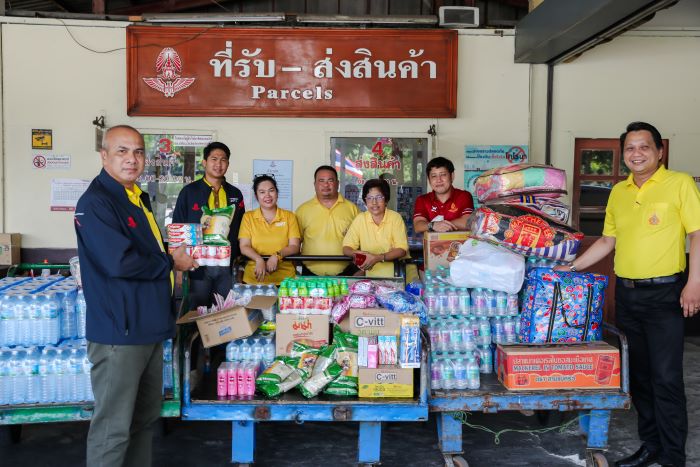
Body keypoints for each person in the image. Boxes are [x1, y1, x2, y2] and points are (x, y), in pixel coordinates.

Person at [555, 122, 700, 467]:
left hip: (667, 294)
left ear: (659, 151)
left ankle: (673, 456)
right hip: (628, 295)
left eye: (644, 147)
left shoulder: (679, 184)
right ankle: (651, 445)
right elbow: (607, 241)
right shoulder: (619, 192)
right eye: (631, 148)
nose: (637, 154)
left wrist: (694, 283)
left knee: (666, 379)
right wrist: (570, 269)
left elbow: (697, 235)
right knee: (640, 379)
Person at [74, 125, 197, 467]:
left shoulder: (136, 197)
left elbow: (147, 253)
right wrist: (171, 260)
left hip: (149, 327)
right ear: (104, 155)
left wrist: (171, 257)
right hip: (120, 333)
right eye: (122, 151)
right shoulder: (96, 202)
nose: (132, 159)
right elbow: (120, 261)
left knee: (143, 422)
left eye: (138, 152)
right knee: (113, 429)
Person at [172, 141, 245, 307]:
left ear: (228, 163)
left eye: (223, 160)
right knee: (196, 314)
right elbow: (178, 228)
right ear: (204, 162)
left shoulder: (235, 194)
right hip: (197, 266)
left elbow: (242, 231)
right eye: (214, 159)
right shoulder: (189, 192)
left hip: (227, 267)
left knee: (225, 314)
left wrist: (241, 266)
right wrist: (178, 270)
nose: (218, 164)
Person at [296, 165, 359, 276]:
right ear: (315, 184)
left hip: (347, 272)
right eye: (321, 181)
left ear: (338, 184)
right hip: (310, 274)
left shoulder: (352, 209)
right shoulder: (303, 210)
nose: (326, 185)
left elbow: (361, 241)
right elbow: (295, 243)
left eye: (330, 180)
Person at [238, 175, 301, 284]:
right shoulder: (248, 217)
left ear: (277, 193)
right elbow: (244, 246)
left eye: (271, 191)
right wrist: (259, 259)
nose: (267, 195)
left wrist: (277, 256)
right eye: (262, 192)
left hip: (285, 281)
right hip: (254, 280)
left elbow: (295, 246)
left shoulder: (289, 216)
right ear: (256, 196)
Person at [343, 178, 409, 277]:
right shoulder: (360, 219)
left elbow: (401, 250)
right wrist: (358, 253)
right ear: (365, 201)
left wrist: (378, 257)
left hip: (395, 276)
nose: (374, 202)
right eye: (369, 198)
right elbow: (346, 248)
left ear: (386, 199)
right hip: (369, 276)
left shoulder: (395, 218)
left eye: (379, 197)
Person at [413, 156, 474, 234]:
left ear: (452, 176)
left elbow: (467, 222)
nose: (439, 180)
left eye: (443, 175)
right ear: (429, 180)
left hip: (460, 245)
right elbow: (418, 226)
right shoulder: (422, 200)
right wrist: (433, 225)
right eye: (434, 176)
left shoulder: (464, 196)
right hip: (433, 246)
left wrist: (441, 225)